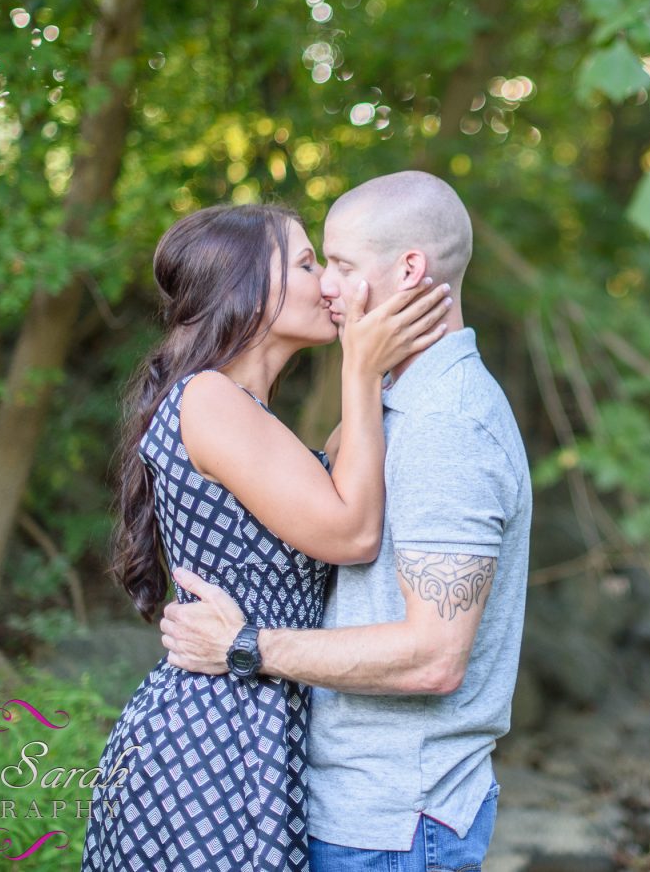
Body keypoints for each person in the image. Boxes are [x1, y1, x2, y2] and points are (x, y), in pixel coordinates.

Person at [161, 171, 532, 872]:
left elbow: (434, 656)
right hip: (344, 804)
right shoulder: (400, 406)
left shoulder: (445, 424)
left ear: (410, 270)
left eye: (340, 264)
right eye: (315, 264)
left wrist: (245, 646)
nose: (327, 285)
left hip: (393, 823)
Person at [81, 201, 452, 871]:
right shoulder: (209, 399)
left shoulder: (247, 415)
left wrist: (388, 357)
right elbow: (353, 532)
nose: (327, 284)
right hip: (210, 740)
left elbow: (356, 474)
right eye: (308, 264)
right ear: (246, 287)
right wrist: (360, 371)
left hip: (252, 724)